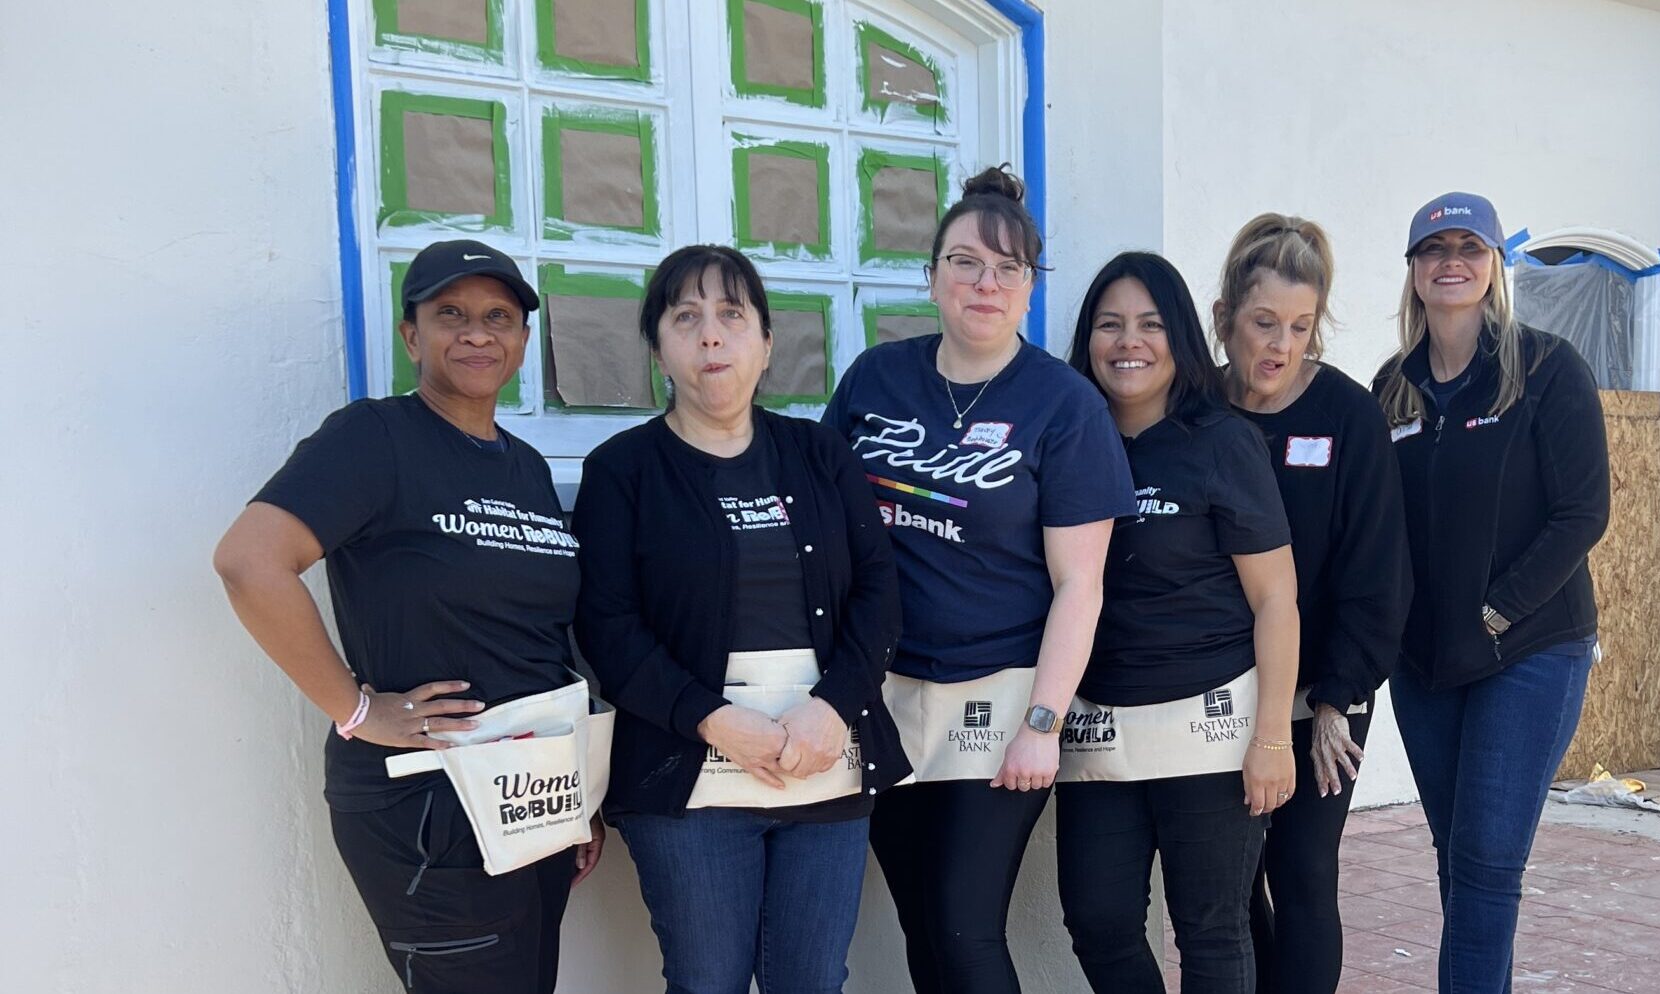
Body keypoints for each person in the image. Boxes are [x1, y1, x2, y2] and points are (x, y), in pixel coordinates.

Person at [213, 240, 599, 994]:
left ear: (523, 338)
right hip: (428, 803)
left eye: (498, 317)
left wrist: (576, 792)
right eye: (449, 314)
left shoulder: (523, 465)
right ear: (411, 335)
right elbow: (249, 561)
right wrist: (355, 709)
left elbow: (537, 642)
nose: (477, 333)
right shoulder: (374, 437)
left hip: (527, 794)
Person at [822, 166, 1136, 994]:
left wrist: (1042, 721)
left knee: (964, 927)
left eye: (1008, 268)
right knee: (922, 920)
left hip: (997, 699)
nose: (984, 283)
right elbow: (831, 534)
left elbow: (1081, 585)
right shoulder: (874, 381)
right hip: (882, 696)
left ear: (1030, 287)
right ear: (932, 276)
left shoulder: (1064, 407)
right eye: (965, 262)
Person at [571, 244, 910, 994]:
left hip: (823, 762)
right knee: (707, 981)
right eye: (685, 318)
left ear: (766, 344)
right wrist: (714, 720)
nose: (711, 336)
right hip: (690, 775)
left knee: (813, 980)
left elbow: (879, 592)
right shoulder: (621, 470)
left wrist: (835, 708)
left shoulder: (821, 454)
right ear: (659, 347)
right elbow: (607, 626)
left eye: (732, 315)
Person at [1373, 193, 1609, 994]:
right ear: (1412, 271)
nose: (1451, 261)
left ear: (1496, 265)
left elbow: (1584, 512)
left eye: (1469, 246)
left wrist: (1496, 610)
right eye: (1433, 247)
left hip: (1530, 649)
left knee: (1486, 862)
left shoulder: (1545, 369)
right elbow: (1379, 527)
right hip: (1427, 661)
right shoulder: (1392, 390)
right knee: (1462, 863)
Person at [1057, 251, 1300, 994]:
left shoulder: (1222, 442)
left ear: (1181, 338)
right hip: (1096, 728)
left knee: (1213, 934)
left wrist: (1271, 737)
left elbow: (1276, 601)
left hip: (1210, 727)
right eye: (1110, 325)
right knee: (1097, 923)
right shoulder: (1063, 439)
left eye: (1150, 324)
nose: (1129, 342)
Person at [1210, 215, 1413, 994]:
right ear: (1226, 316)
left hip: (1324, 688)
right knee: (1229, 882)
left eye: (1300, 327)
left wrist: (1335, 701)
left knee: (1300, 869)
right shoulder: (1200, 411)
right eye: (1264, 323)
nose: (1280, 346)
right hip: (1220, 690)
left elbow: (1378, 574)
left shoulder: (1346, 417)